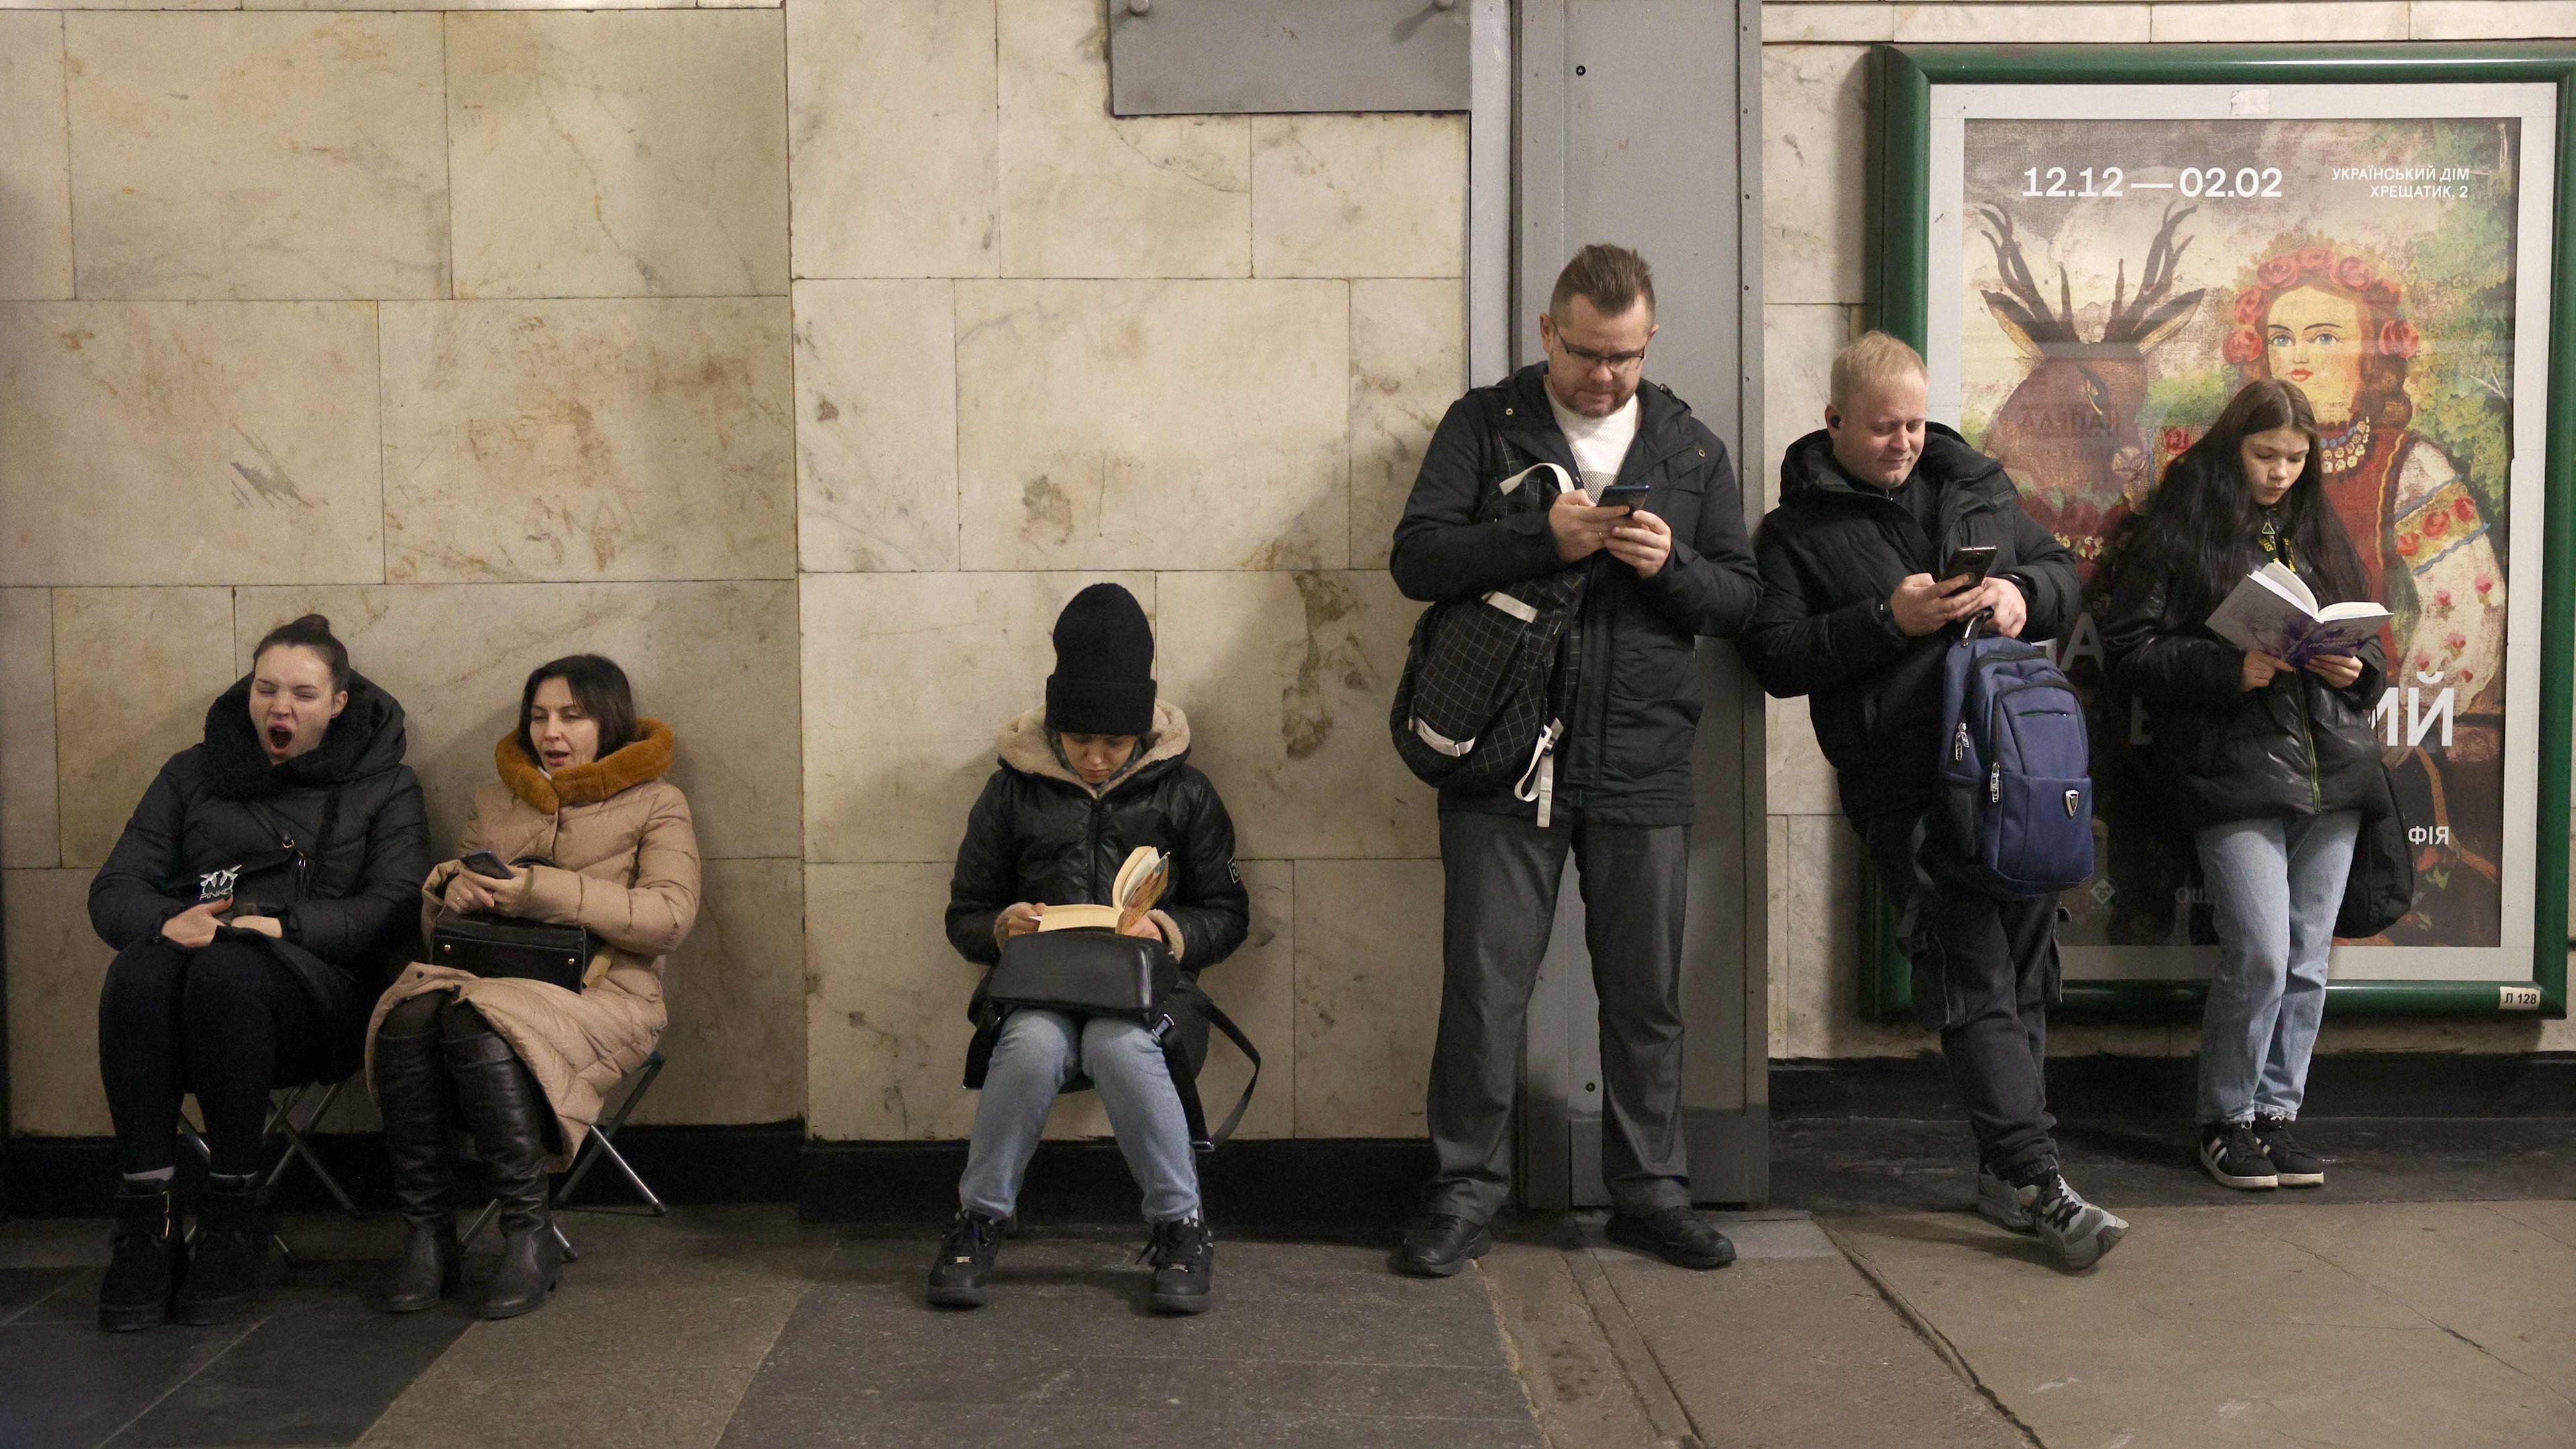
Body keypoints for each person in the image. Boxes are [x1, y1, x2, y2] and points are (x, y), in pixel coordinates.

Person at [1387, 244, 1760, 1278]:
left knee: (1646, 997)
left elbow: (1741, 600)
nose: (1607, 376)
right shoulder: (1485, 424)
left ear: (1650, 341)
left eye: (1627, 356)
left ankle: (1650, 1192)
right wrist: (1535, 539)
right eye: (1590, 354)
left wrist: (1669, 566)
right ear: (1548, 333)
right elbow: (1416, 558)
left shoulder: (1689, 449)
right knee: (1485, 989)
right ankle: (1465, 1191)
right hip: (1503, 757)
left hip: (1642, 758)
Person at [1739, 331, 2128, 1270]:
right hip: (1907, 789)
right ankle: (2036, 1178)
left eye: (1914, 423)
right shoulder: (1795, 533)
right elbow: (1775, 656)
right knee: (1973, 971)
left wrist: (2016, 594)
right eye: (1882, 428)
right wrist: (1888, 620)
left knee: (2028, 968)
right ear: (1834, 422)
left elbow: (2064, 576)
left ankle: (2005, 1174)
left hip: (2018, 772)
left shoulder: (1975, 483)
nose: (1903, 442)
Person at [89, 614, 429, 1330]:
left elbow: (396, 909)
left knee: (229, 974)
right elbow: (115, 889)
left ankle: (233, 1215)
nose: (281, 707)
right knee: (138, 973)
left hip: (319, 998)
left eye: (303, 693)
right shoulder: (191, 773)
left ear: (338, 702)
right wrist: (164, 923)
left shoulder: (387, 784)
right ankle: (146, 1219)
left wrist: (285, 924)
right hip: (189, 988)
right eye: (266, 689)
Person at [936, 583, 1250, 1313]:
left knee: (1119, 1046)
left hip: (1149, 997)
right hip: (1038, 990)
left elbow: (1228, 912)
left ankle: (1181, 1226)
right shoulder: (1011, 791)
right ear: (1056, 731)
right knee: (1033, 1046)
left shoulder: (1187, 794)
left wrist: (1168, 930)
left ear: (1141, 734)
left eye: (1115, 744)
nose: (1098, 760)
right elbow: (964, 914)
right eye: (1082, 744)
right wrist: (999, 927)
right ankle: (979, 1219)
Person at [2102, 380, 2383, 1190]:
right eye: (2266, 455)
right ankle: (2225, 1119)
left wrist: (2353, 668)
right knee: (2260, 949)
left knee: (2306, 960)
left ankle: (2276, 1115)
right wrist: (2233, 667)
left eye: (2296, 458)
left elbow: (2375, 665)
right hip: (2230, 769)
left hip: (2331, 768)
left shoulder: (2318, 525)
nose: (2281, 473)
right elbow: (2128, 648)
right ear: (2234, 448)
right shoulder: (2186, 523)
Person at [366, 655, 700, 1320]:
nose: (553, 731)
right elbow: (444, 932)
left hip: (608, 995)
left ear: (609, 720)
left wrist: (538, 892)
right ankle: (428, 1233)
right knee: (406, 1015)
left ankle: (528, 1230)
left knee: (474, 1020)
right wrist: (448, 888)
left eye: (573, 716)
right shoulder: (496, 800)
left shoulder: (657, 801)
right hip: (486, 975)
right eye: (541, 715)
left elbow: (670, 918)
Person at [2224, 241, 2503, 943]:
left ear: (2372, 355)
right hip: (2241, 734)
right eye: (2282, 338)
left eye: (2324, 336)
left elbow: (2467, 607)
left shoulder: (2410, 465)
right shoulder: (2231, 468)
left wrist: (2390, 708)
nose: (2298, 356)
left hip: (2355, 733)